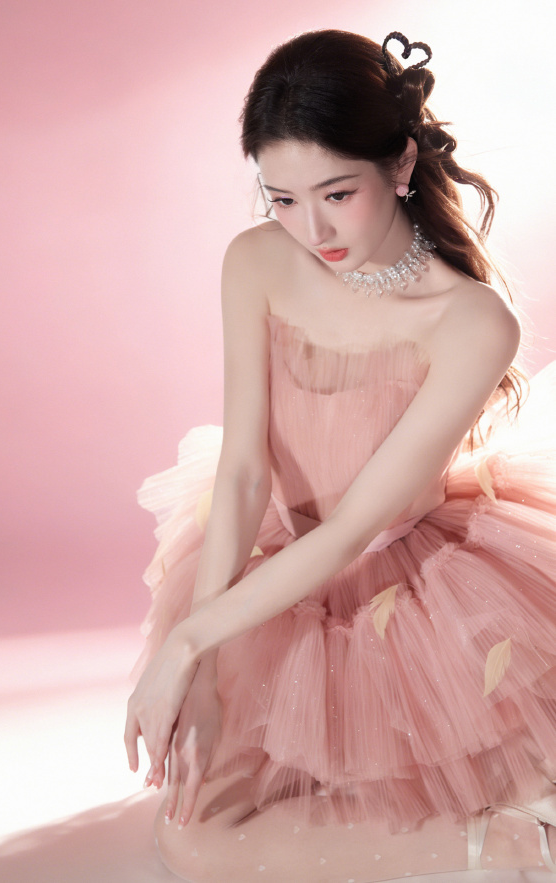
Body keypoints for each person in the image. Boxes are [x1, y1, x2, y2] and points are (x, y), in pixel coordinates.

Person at [124, 29, 556, 883]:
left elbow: (356, 526)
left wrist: (189, 642)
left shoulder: (471, 320)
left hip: (412, 590)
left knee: (212, 845)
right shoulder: (256, 261)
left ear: (400, 164)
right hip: (275, 576)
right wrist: (199, 657)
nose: (311, 227)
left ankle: (514, 843)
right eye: (281, 198)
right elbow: (243, 470)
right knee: (191, 825)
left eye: (337, 193)